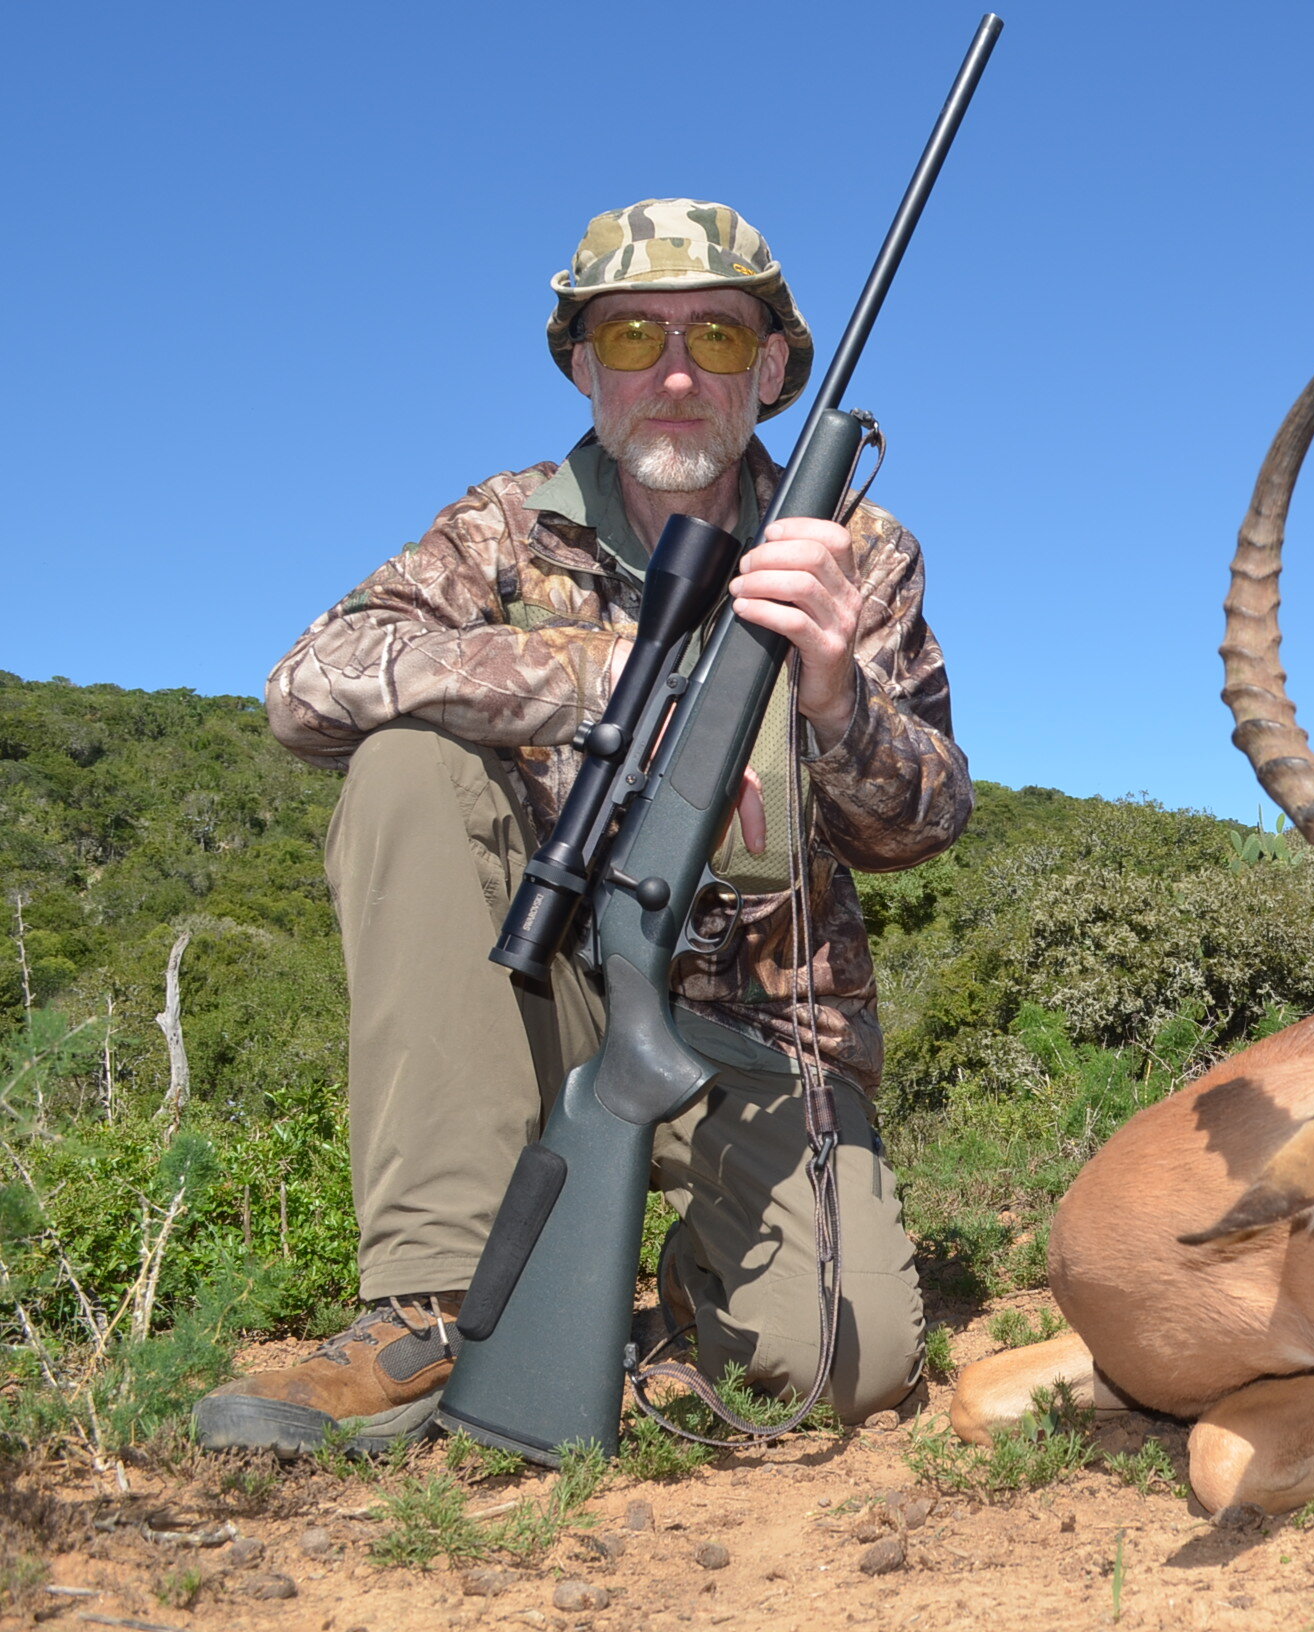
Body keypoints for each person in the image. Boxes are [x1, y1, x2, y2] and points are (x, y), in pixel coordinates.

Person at [196, 199, 971, 1454]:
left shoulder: (855, 550)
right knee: (402, 767)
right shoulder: (504, 525)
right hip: (545, 1014)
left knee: (839, 1364)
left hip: (770, 1039)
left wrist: (833, 699)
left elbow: (924, 821)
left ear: (771, 370)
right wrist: (604, 674)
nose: (673, 373)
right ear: (580, 365)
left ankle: (641, 1300)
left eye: (717, 340)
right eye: (631, 339)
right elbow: (306, 684)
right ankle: (436, 1301)